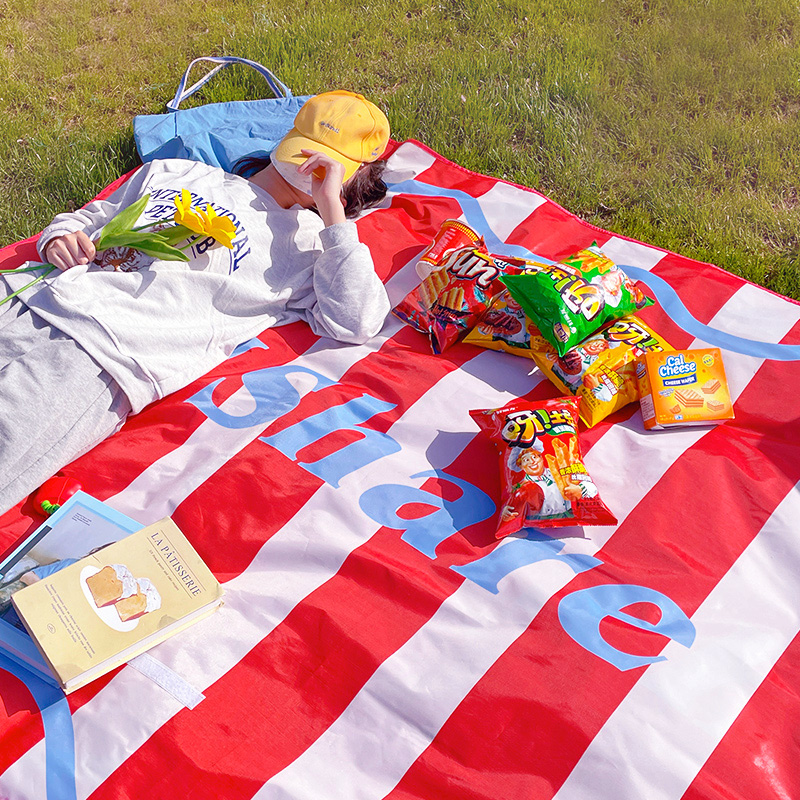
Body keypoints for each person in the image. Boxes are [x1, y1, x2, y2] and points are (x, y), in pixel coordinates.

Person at [0, 90, 392, 515]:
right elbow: (87, 218)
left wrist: (333, 213)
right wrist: (60, 238)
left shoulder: (311, 247)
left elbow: (357, 319)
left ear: (351, 179)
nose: (306, 166)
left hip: (98, 354)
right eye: (306, 148)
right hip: (27, 294)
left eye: (328, 165)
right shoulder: (177, 170)